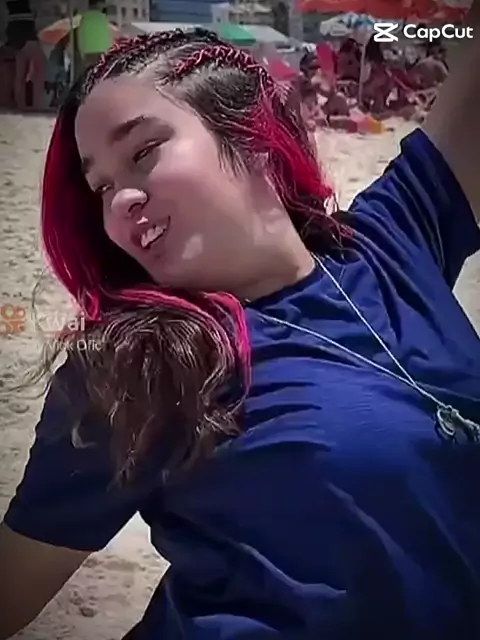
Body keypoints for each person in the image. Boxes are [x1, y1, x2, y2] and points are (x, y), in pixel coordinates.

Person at [1, 13, 480, 639]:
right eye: (101, 186)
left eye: (143, 152)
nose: (120, 202)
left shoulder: (393, 241)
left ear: (251, 133)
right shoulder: (139, 364)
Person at [77, 0, 113, 72]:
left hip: (88, 53)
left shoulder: (84, 19)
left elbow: (80, 38)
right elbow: (109, 38)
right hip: (102, 52)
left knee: (89, 74)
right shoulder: (103, 19)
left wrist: (81, 52)